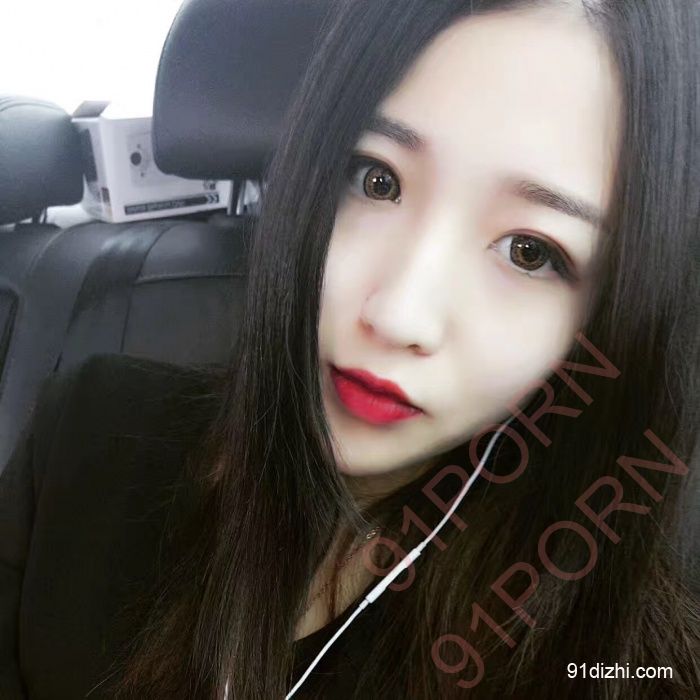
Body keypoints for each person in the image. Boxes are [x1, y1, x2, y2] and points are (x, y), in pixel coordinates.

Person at [1, 0, 698, 698]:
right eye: (376, 179)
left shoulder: (624, 662)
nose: (398, 315)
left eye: (530, 251)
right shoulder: (87, 433)